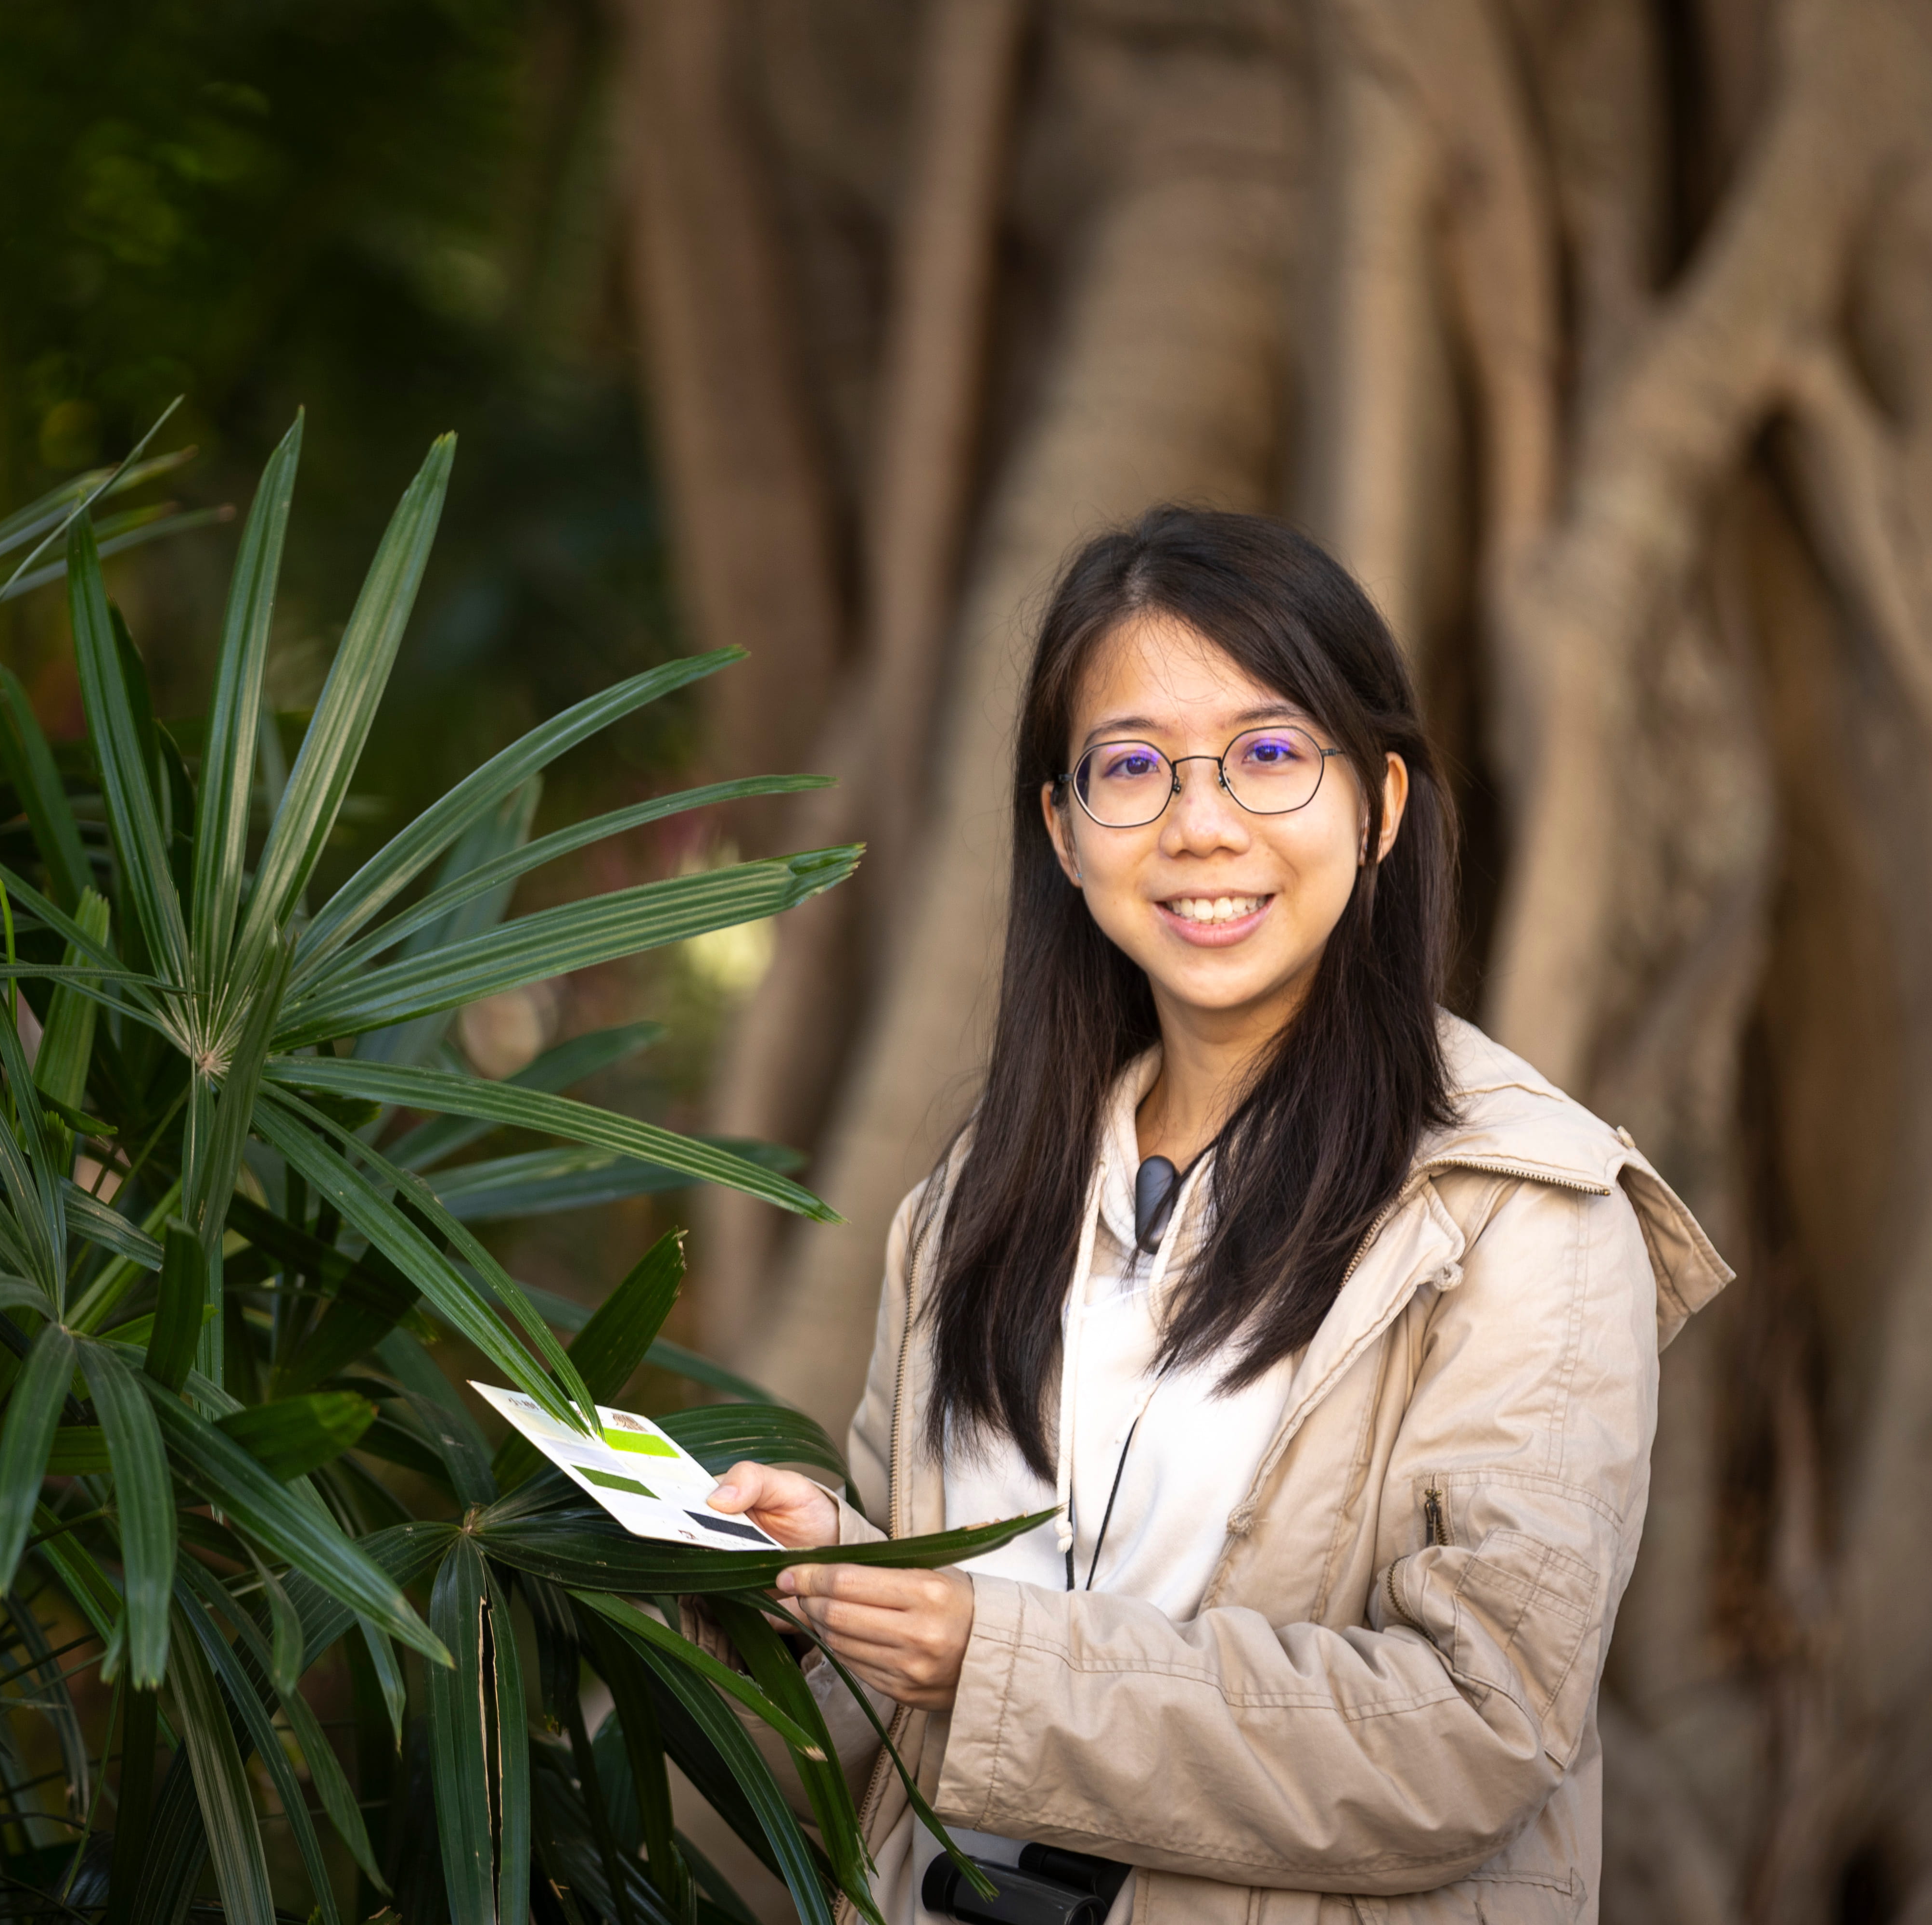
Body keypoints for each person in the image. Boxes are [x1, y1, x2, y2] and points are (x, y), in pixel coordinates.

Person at [703, 507, 1732, 1924]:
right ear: (1062, 834)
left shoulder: (1519, 1214)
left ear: (1377, 805)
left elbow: (1477, 1728)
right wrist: (829, 1574)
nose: (1200, 824)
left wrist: (990, 1659)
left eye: (1267, 755)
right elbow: (901, 1704)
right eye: (1132, 768)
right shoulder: (972, 1207)